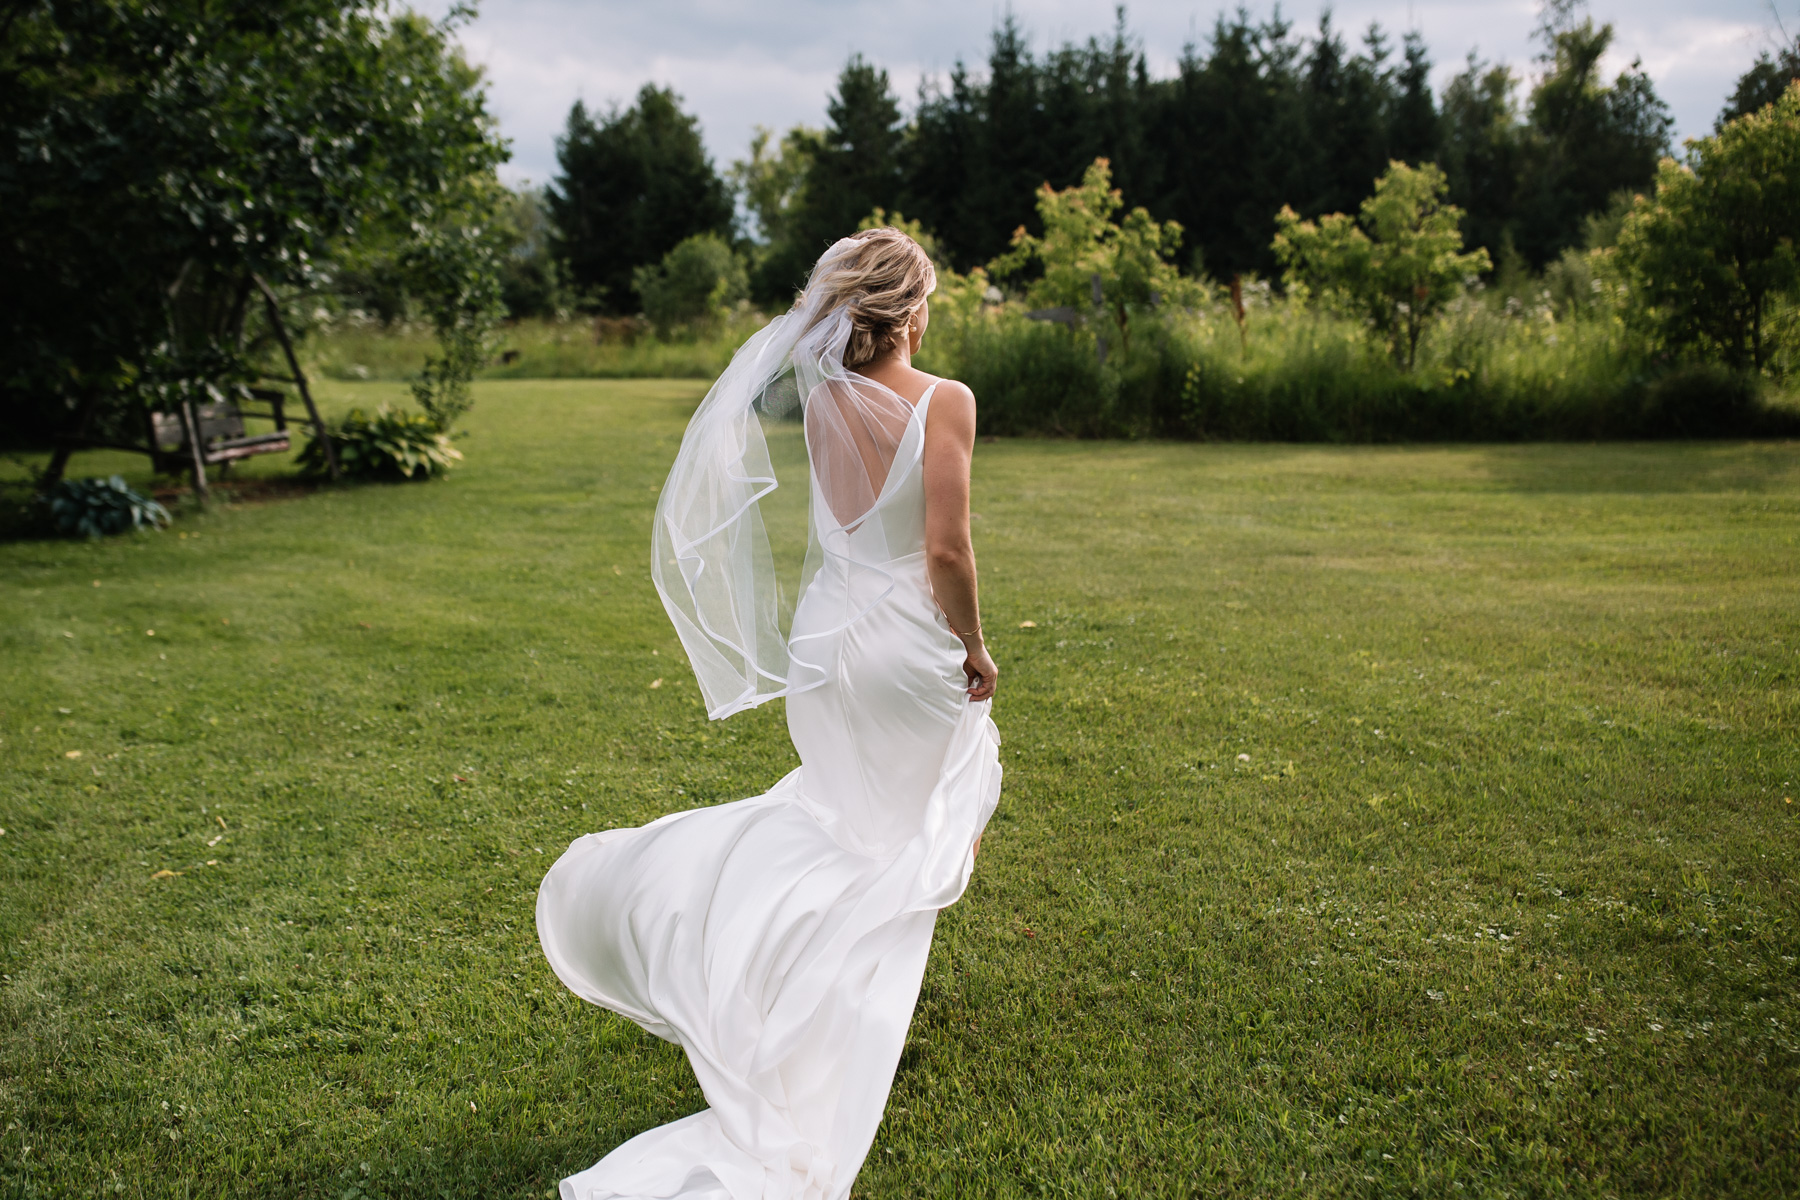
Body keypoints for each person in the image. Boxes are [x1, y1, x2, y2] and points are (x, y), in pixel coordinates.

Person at [536, 228, 1002, 1199]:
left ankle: (769, 965)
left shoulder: (825, 394)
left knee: (840, 820)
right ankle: (826, 1000)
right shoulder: (944, 401)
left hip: (828, 644)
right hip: (904, 644)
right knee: (903, 832)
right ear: (913, 310)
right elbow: (947, 553)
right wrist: (974, 645)